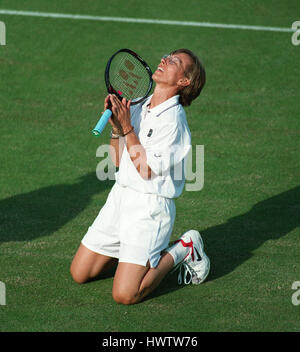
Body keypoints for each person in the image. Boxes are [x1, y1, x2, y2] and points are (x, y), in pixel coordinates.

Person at [70, 48, 210, 304]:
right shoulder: (137, 104)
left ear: (184, 81)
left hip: (150, 209)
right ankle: (134, 257)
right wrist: (116, 130)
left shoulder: (174, 124)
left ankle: (184, 248)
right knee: (80, 273)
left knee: (125, 294)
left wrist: (127, 128)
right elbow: (118, 162)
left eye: (174, 62)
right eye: (167, 56)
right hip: (120, 198)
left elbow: (146, 170)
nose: (164, 60)